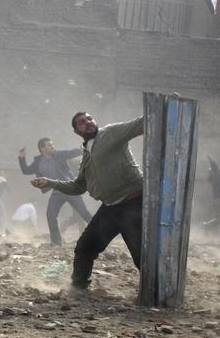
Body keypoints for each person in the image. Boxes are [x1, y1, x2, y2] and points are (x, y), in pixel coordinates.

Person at [31, 112, 144, 290]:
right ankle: (78, 288)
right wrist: (50, 182)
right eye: (82, 122)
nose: (87, 123)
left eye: (89, 119)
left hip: (133, 203)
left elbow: (140, 124)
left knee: (141, 255)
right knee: (85, 247)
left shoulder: (111, 133)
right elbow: (78, 186)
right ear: (77, 131)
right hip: (110, 207)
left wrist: (163, 108)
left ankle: (159, 295)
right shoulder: (87, 154)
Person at [19, 137, 93, 245]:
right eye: (49, 145)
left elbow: (73, 152)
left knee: (84, 213)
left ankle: (101, 234)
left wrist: (87, 145)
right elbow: (26, 171)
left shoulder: (59, 155)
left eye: (52, 144)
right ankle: (56, 242)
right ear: (42, 148)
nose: (52, 146)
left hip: (70, 188)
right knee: (50, 215)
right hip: (57, 192)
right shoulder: (38, 162)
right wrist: (21, 158)